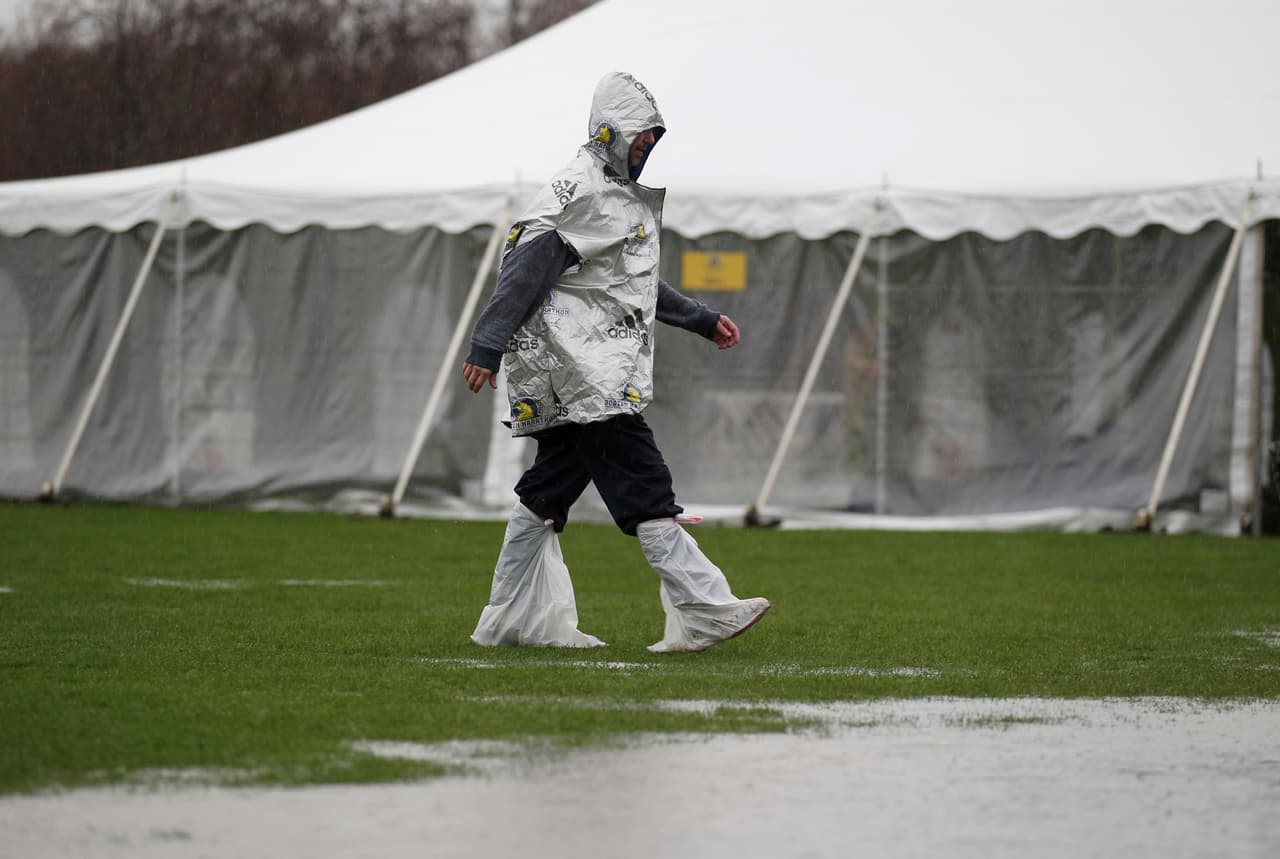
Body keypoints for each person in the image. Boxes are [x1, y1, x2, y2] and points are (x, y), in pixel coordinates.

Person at [461, 71, 769, 653]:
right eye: (640, 138)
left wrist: (701, 319)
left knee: (546, 492)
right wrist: (486, 344)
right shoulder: (578, 192)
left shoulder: (614, 196)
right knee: (644, 483)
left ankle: (507, 617)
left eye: (654, 140)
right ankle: (705, 609)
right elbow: (522, 270)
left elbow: (631, 284)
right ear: (611, 133)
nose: (647, 148)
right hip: (583, 375)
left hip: (582, 373)